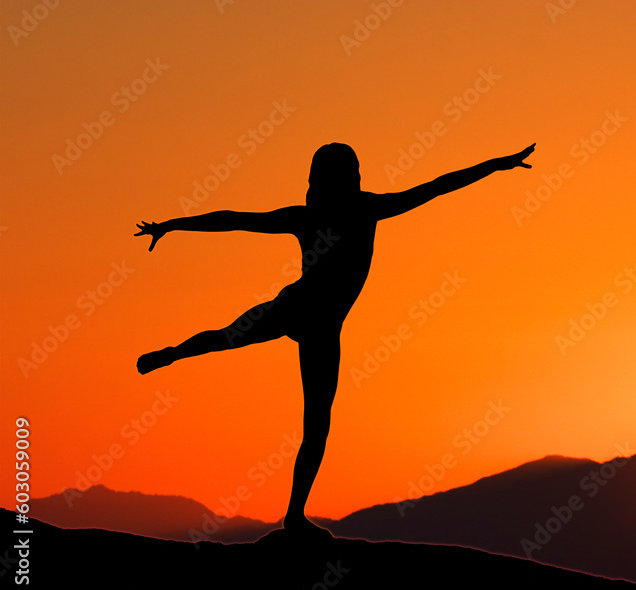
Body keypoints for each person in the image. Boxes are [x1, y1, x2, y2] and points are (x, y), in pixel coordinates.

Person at [134, 142, 535, 530]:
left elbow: (235, 218)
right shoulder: (367, 208)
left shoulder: (316, 214)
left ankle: (173, 354)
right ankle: (293, 516)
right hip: (318, 323)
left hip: (297, 310)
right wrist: (497, 165)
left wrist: (170, 226)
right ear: (352, 175)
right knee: (315, 424)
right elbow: (436, 186)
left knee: (230, 340)